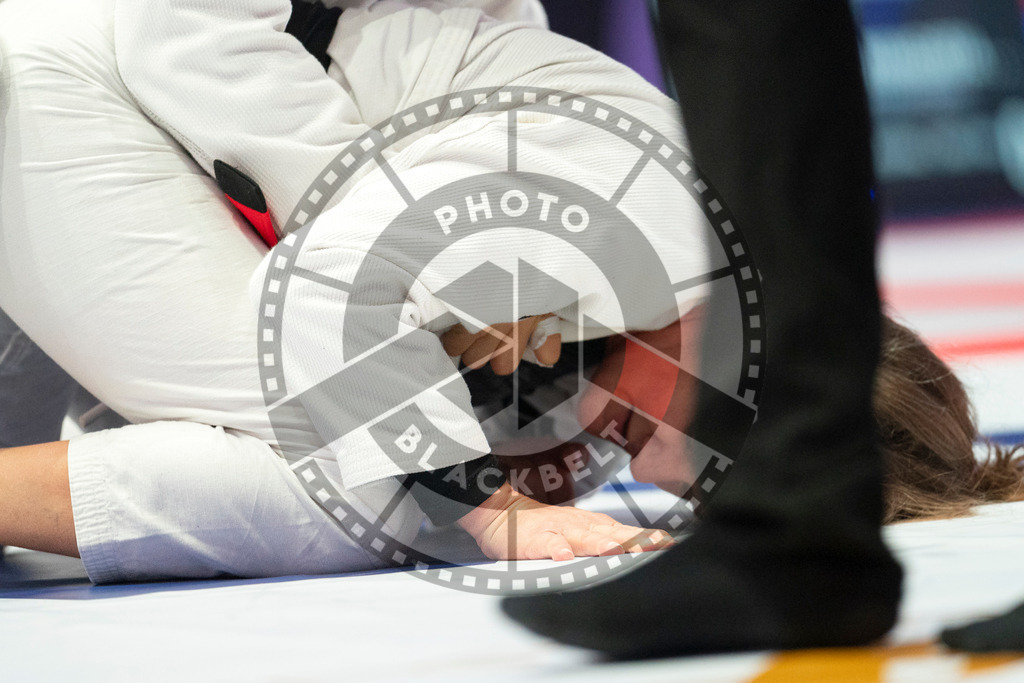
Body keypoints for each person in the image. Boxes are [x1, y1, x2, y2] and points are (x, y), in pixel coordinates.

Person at [0, 0, 703, 581]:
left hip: (109, 82)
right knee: (360, 484)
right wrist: (492, 510)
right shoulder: (651, 211)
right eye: (703, 463)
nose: (644, 469)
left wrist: (478, 278)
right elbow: (330, 282)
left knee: (403, 436)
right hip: (86, 88)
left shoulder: (660, 242)